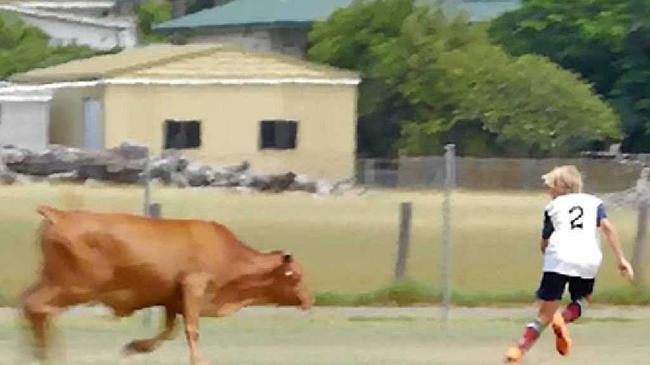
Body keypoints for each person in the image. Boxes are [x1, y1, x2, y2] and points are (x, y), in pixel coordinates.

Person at [504, 165, 634, 363]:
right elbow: (607, 228)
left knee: (544, 314)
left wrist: (548, 258)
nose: (548, 191)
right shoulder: (594, 203)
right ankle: (563, 319)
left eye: (550, 186)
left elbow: (545, 242)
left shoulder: (553, 207)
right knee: (583, 299)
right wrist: (621, 259)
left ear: (560, 187)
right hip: (588, 258)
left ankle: (518, 350)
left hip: (559, 257)